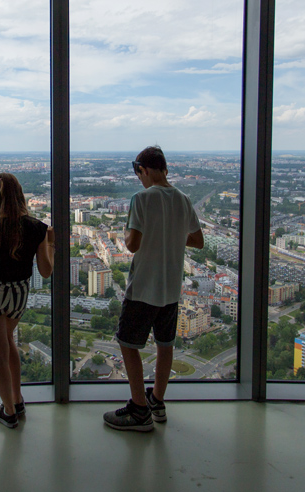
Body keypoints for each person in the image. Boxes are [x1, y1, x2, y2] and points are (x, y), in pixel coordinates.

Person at [103, 146, 203, 432]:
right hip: (172, 288)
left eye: (140, 175)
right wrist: (170, 235)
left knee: (128, 342)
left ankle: (138, 409)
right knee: (164, 343)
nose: (141, 181)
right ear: (165, 168)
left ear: (143, 170)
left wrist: (127, 234)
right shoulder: (184, 200)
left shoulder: (141, 199)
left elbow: (132, 244)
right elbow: (197, 241)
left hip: (145, 286)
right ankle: (157, 400)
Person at [0, 172, 55, 429]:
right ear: (20, 194)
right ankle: (17, 399)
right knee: (8, 341)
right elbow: (47, 271)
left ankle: (8, 411)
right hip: (19, 294)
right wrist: (52, 244)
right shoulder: (37, 228)